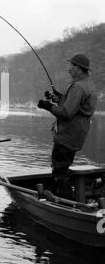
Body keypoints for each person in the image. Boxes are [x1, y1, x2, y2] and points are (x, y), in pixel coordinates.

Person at [37, 54, 97, 196]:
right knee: (63, 167)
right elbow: (75, 106)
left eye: (72, 66)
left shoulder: (79, 87)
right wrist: (58, 97)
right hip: (77, 134)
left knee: (60, 170)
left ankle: (65, 201)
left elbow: (66, 113)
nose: (69, 69)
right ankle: (63, 195)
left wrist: (47, 106)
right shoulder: (88, 84)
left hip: (67, 135)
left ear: (79, 69)